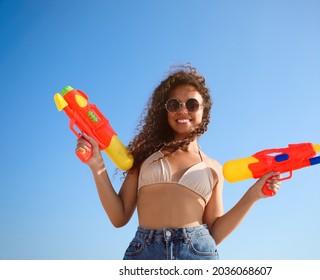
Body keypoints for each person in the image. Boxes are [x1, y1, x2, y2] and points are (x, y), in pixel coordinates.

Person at [76, 64, 281, 260]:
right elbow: (118, 217)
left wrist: (254, 194)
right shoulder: (143, 156)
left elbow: (215, 233)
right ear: (165, 111)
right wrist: (96, 164)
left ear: (204, 111)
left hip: (196, 253)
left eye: (192, 104)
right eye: (174, 104)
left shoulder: (213, 168)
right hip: (144, 255)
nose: (183, 110)